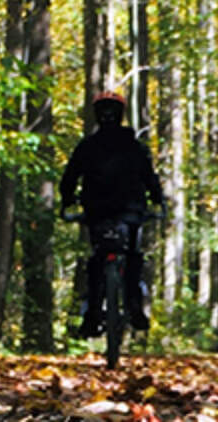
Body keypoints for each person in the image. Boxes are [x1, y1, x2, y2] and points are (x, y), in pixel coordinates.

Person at [60, 90, 166, 336]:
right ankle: (134, 304)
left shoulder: (87, 147)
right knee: (132, 256)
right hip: (131, 212)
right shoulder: (135, 147)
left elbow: (69, 179)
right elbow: (150, 179)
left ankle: (91, 313)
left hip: (96, 212)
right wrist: (158, 201)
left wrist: (67, 201)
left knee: (97, 256)